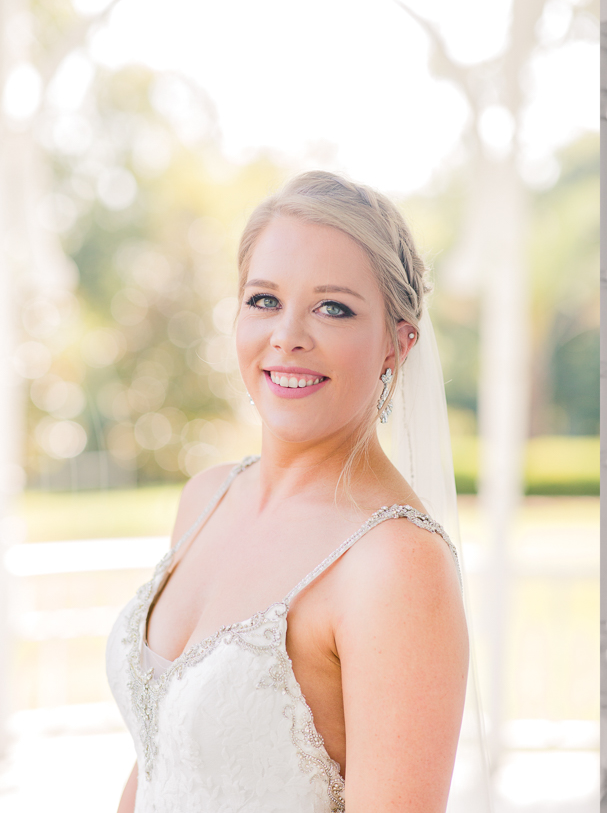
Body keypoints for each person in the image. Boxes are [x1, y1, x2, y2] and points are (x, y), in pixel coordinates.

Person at [105, 172, 469, 811]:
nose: (288, 336)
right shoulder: (207, 498)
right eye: (265, 300)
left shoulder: (397, 564)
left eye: (334, 307)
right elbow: (160, 759)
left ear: (398, 342)